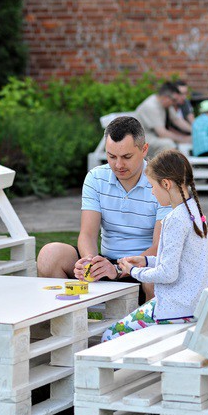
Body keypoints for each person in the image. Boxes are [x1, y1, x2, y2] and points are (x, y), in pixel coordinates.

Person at [36, 116, 170, 304]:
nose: (118, 165)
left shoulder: (161, 183)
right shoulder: (96, 178)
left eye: (126, 157)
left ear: (144, 150)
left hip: (142, 265)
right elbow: (87, 234)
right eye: (111, 156)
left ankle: (149, 328)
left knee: (155, 278)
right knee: (49, 255)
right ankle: (68, 321)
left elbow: (159, 248)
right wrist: (91, 263)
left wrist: (118, 269)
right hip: (106, 260)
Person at [103, 149, 208, 342]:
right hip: (195, 305)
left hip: (174, 309)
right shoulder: (194, 211)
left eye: (153, 186)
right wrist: (145, 260)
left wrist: (134, 271)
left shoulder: (174, 220)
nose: (152, 192)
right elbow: (180, 261)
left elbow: (168, 274)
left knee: (110, 336)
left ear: (166, 184)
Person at [134, 82, 191, 157]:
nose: (175, 103)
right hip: (141, 138)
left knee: (170, 142)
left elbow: (177, 120)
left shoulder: (166, 103)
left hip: (154, 136)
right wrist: (184, 139)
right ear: (165, 97)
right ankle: (167, 168)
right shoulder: (151, 106)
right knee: (168, 143)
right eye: (174, 100)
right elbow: (162, 133)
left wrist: (194, 131)